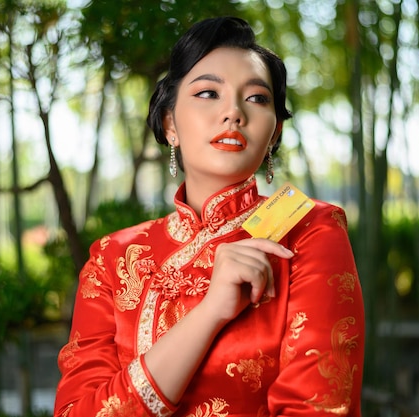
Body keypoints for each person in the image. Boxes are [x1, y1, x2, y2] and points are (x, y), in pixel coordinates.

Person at [53, 16, 364, 417]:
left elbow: (319, 407)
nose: (233, 112)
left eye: (256, 98)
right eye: (207, 93)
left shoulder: (308, 230)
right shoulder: (112, 259)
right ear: (169, 124)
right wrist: (210, 312)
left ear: (273, 135)